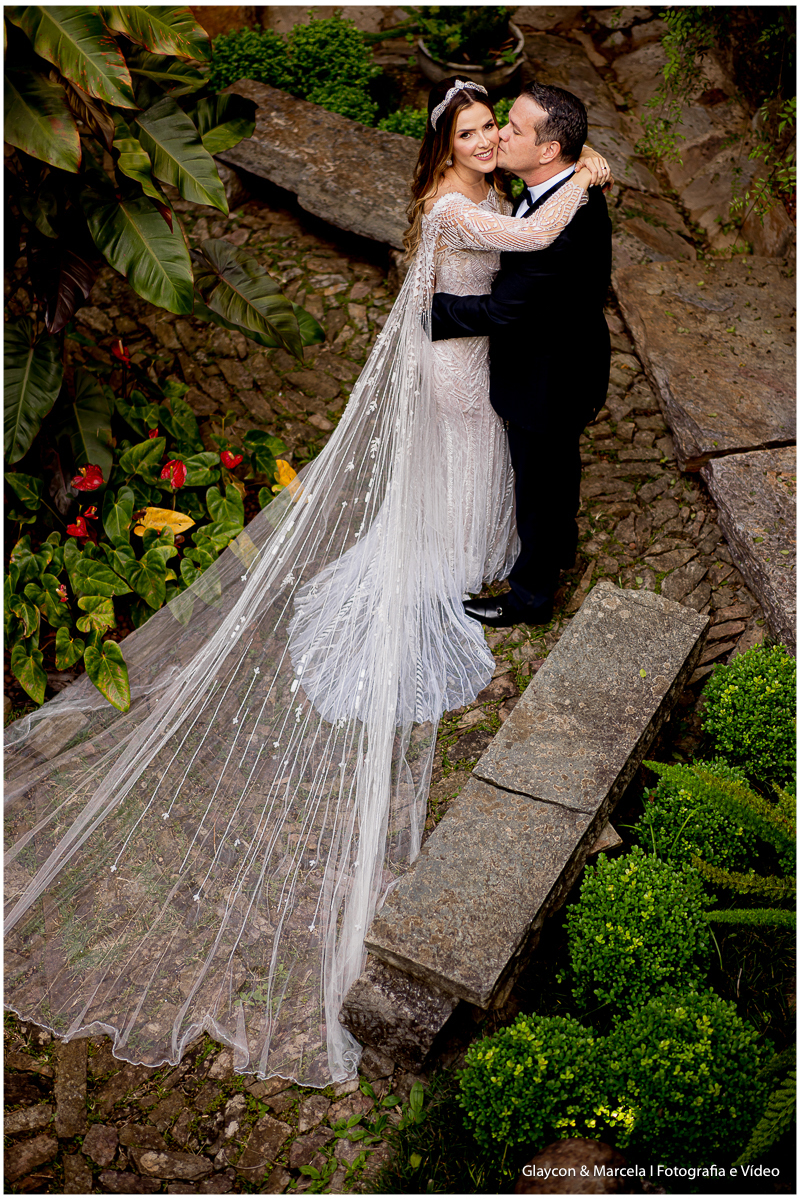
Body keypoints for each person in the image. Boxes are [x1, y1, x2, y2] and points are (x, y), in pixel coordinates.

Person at [4, 78, 608, 1088]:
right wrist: (583, 177)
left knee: (485, 459)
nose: (487, 139)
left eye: (495, 128)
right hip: (458, 360)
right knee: (471, 451)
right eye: (471, 130)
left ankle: (482, 549)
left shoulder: (497, 188)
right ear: (444, 146)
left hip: (483, 355)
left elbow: (528, 243)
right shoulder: (458, 204)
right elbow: (533, 244)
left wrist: (574, 173)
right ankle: (462, 559)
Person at [431, 82, 613, 627]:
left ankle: (531, 597)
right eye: (500, 123)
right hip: (564, 361)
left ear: (549, 150)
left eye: (510, 128)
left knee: (539, 489)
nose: (498, 137)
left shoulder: (559, 229)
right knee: (556, 473)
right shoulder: (547, 180)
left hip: (547, 378)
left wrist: (433, 312)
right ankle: (560, 546)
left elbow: (503, 311)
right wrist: (587, 160)